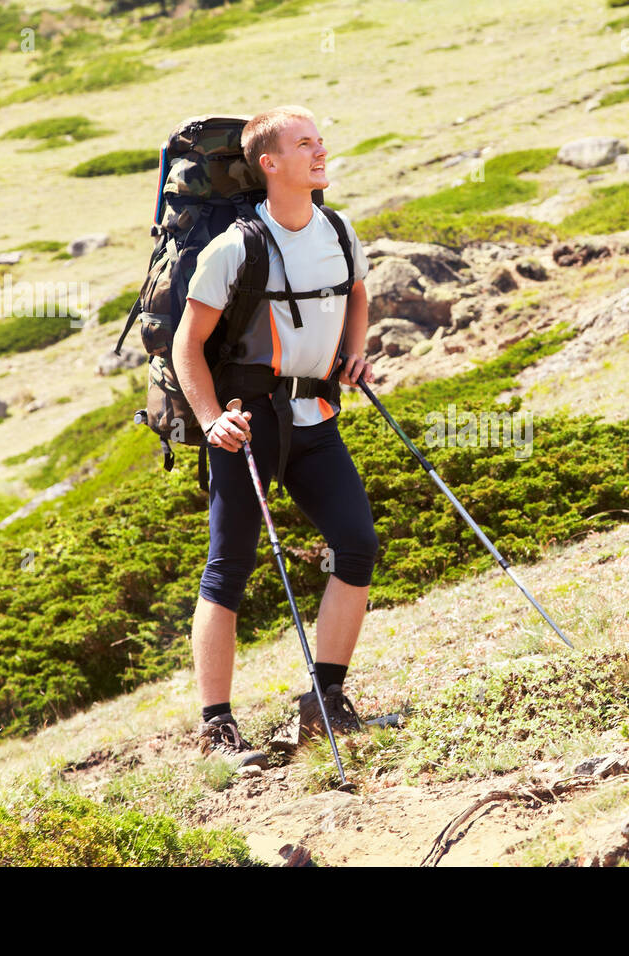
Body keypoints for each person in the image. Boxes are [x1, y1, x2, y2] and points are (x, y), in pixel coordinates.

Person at [171, 104, 378, 767]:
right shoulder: (235, 247)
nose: (321, 152)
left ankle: (326, 697)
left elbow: (358, 295)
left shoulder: (340, 231)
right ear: (269, 164)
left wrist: (353, 352)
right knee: (228, 570)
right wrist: (211, 421)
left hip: (316, 419)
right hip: (246, 424)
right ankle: (216, 726)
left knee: (357, 545)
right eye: (304, 144)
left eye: (321, 141)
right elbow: (188, 345)